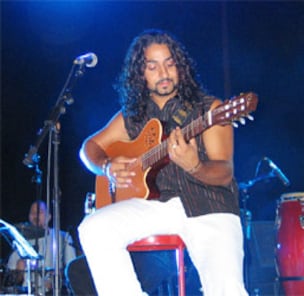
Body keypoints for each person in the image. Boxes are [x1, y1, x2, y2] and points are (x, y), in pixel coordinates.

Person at [77, 29, 248, 296]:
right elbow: (89, 148)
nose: (164, 73)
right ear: (140, 74)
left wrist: (195, 166)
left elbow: (225, 172)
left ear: (180, 67)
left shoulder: (210, 109)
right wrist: (107, 166)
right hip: (155, 206)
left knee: (227, 290)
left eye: (170, 63)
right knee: (93, 227)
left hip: (209, 205)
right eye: (152, 66)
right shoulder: (132, 117)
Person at [6, 200, 77, 293]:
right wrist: (19, 272)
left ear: (49, 217)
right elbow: (11, 279)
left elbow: (72, 271)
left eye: (40, 212)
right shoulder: (21, 240)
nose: (36, 215)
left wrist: (57, 277)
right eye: (32, 212)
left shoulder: (63, 237)